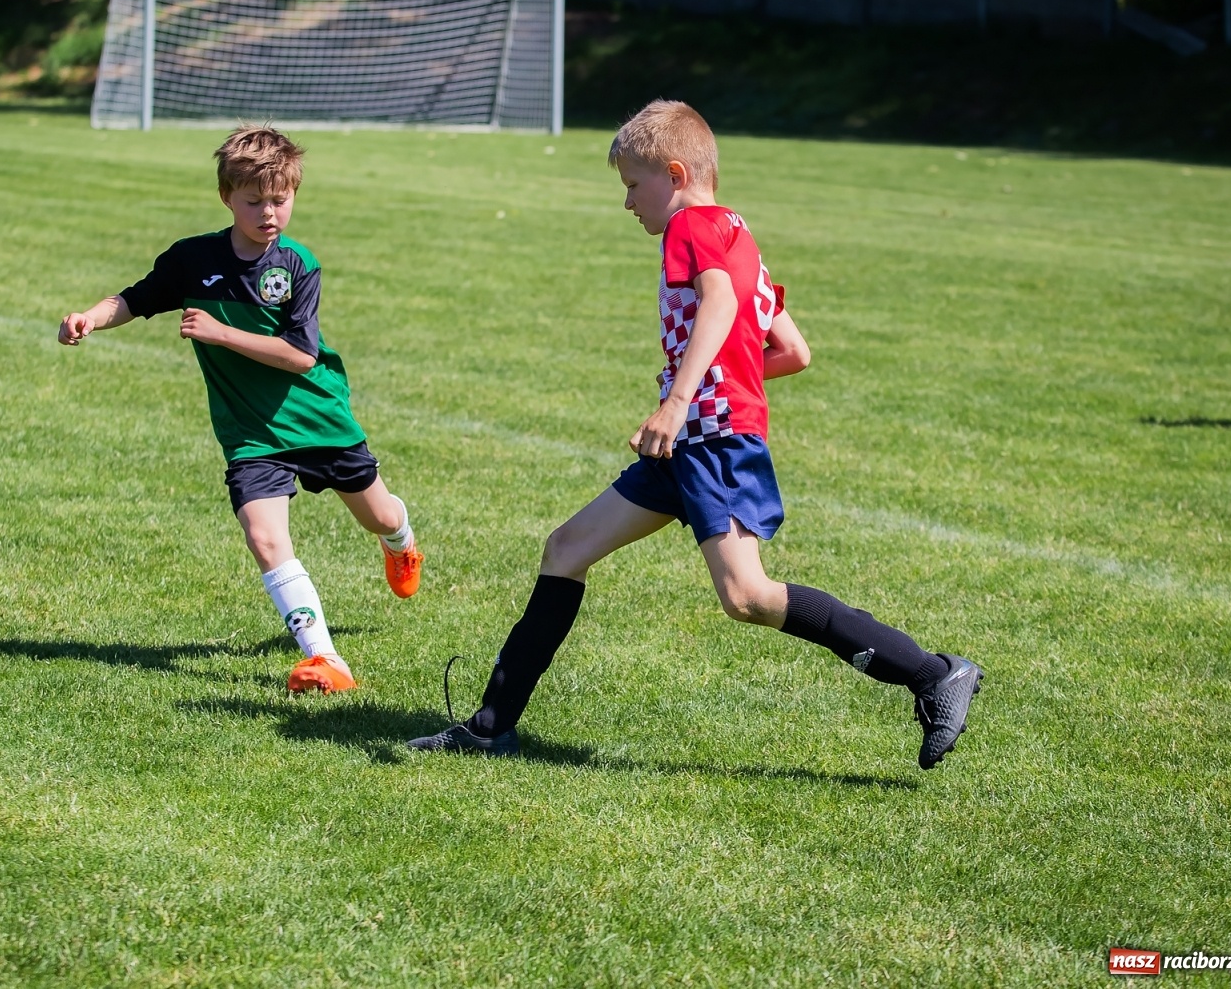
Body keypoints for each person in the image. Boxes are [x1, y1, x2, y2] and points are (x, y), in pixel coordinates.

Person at [408, 100, 980, 768]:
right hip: (690, 442)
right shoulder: (739, 234)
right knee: (566, 548)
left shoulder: (690, 226)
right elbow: (793, 350)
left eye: (631, 184)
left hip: (708, 441)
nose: (628, 203)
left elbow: (721, 303)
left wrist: (680, 400)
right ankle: (489, 725)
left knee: (749, 596)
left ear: (675, 173)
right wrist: (711, 388)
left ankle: (933, 672)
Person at [58, 125, 422, 694]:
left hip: (318, 418)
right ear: (227, 197)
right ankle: (325, 659)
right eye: (254, 201)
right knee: (264, 537)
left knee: (378, 516)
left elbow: (301, 357)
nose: (269, 212)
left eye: (281, 199)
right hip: (251, 432)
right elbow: (135, 298)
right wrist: (90, 316)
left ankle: (401, 543)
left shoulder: (299, 264)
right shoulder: (192, 259)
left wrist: (222, 333)